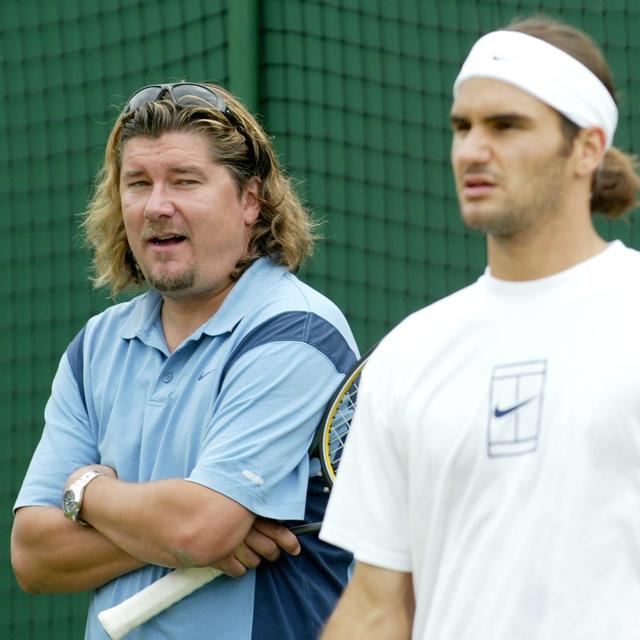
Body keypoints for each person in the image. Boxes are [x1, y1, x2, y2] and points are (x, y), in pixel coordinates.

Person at [319, 15, 640, 640]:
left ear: (588, 147)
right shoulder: (411, 352)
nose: (471, 149)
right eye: (463, 127)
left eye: (506, 126)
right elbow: (377, 607)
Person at [11, 81, 358, 639]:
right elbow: (34, 555)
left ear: (252, 199)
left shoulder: (297, 331)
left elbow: (199, 528)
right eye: (138, 183)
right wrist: (183, 529)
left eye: (185, 181)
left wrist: (87, 494)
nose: (157, 206)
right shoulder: (95, 345)